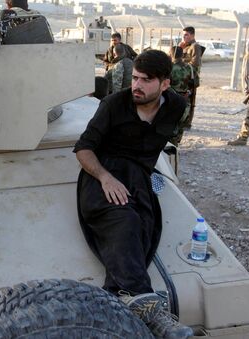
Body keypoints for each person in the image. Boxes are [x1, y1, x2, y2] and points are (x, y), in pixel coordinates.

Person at [74, 50, 193, 338]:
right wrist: (105, 178)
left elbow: (169, 141)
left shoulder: (176, 106)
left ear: (165, 84)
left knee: (145, 229)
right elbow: (84, 148)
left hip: (140, 177)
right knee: (122, 221)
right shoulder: (115, 104)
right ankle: (155, 315)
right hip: (103, 173)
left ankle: (117, 295)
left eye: (145, 80)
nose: (136, 85)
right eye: (135, 78)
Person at [169, 46, 194, 146]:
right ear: (182, 55)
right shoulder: (189, 67)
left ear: (171, 54)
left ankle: (170, 145)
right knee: (181, 122)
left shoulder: (169, 67)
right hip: (185, 98)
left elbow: (165, 84)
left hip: (172, 99)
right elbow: (194, 83)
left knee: (170, 122)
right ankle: (176, 143)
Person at [179, 26, 202, 130]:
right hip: (182, 77)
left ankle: (187, 123)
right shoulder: (185, 46)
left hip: (190, 77)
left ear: (192, 35)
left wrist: (182, 64)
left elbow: (195, 63)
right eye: (183, 35)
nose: (184, 37)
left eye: (186, 35)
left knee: (190, 100)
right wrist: (180, 48)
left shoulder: (195, 46)